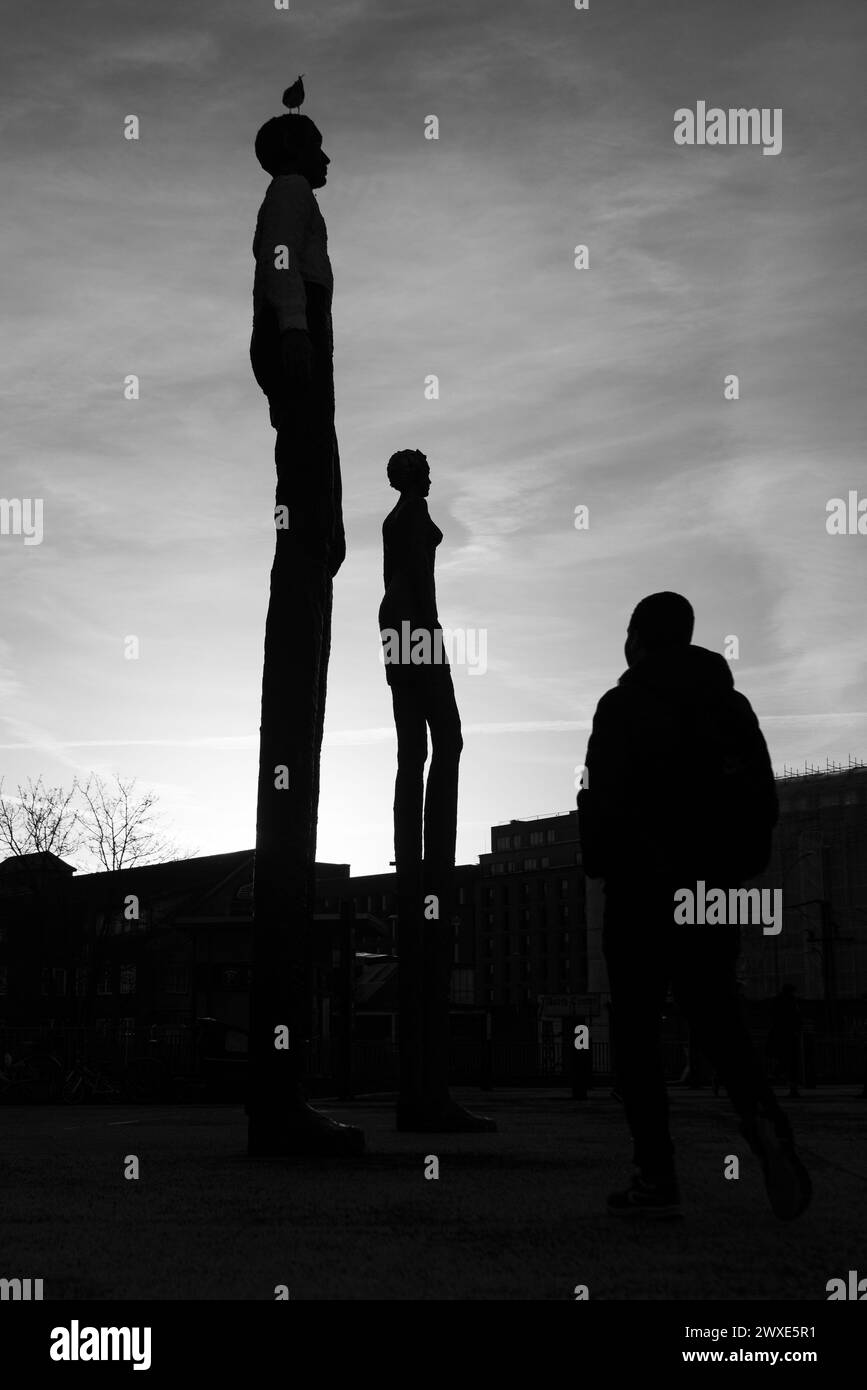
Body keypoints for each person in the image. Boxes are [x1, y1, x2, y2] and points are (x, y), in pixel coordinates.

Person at [578, 592, 811, 1219]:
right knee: (718, 1015)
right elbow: (761, 800)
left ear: (638, 638)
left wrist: (602, 857)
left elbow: (602, 799)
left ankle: (656, 1176)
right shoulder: (730, 706)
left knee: (635, 1029)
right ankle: (765, 1124)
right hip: (712, 890)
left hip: (640, 892)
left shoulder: (622, 706)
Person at [247, 103, 360, 1154]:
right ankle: (278, 1107)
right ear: (295, 154)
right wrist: (294, 345)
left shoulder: (292, 199)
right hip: (297, 366)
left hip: (298, 369)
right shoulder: (288, 200)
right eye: (316, 144)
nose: (327, 159)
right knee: (312, 515)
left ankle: (311, 538)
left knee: (313, 517)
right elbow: (286, 275)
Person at [379, 449, 494, 1132]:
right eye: (419, 466)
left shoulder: (406, 516)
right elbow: (413, 585)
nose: (429, 473)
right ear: (406, 475)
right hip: (413, 627)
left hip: (405, 627)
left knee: (421, 746)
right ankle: (423, 850)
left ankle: (420, 846)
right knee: (438, 741)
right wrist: (424, 644)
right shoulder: (407, 518)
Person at [767, 984, 803, 1098]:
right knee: (792, 1062)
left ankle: (777, 1072)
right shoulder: (793, 1002)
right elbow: (797, 1018)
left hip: (778, 1034)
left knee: (780, 1058)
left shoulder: (776, 1002)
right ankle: (792, 1087)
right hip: (789, 1035)